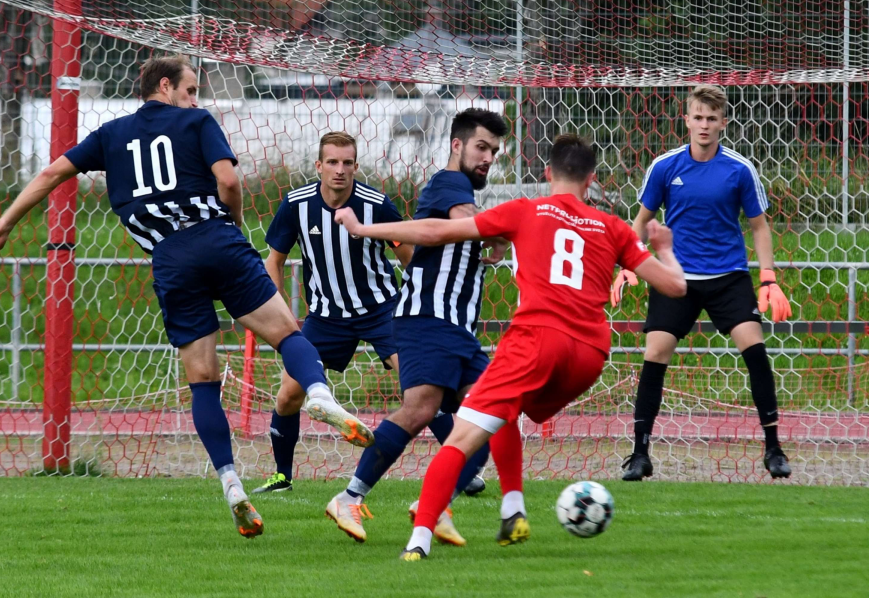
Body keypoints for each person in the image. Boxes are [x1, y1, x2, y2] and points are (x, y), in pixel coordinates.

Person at [0, 55, 356, 539]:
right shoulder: (196, 121)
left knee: (202, 378)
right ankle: (321, 396)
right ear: (166, 86)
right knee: (286, 332)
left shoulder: (110, 135)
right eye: (191, 88)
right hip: (215, 237)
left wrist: (5, 223)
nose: (196, 98)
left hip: (169, 260)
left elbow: (53, 173)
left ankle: (231, 484)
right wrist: (234, 224)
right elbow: (229, 181)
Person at [335, 133, 687, 560]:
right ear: (592, 180)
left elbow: (436, 230)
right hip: (590, 356)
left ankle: (420, 539)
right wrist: (665, 249)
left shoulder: (526, 210)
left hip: (537, 340)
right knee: (506, 413)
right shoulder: (612, 227)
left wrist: (362, 228)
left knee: (462, 435)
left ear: (546, 174)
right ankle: (512, 508)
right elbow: (675, 286)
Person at [323, 108, 509, 546]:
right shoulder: (451, 183)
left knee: (492, 416)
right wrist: (363, 228)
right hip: (430, 319)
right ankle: (349, 496)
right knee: (420, 409)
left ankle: (437, 505)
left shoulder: (460, 191)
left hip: (457, 329)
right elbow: (439, 229)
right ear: (457, 145)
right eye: (481, 147)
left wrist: (495, 239)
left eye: (494, 152)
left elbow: (467, 229)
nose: (487, 158)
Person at [612, 84, 793, 482]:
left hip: (729, 277)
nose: (704, 125)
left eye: (712, 118)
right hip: (676, 275)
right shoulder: (665, 166)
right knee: (655, 353)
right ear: (687, 120)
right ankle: (640, 454)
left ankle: (774, 449)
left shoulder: (739, 169)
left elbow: (760, 227)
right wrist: (629, 263)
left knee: (754, 348)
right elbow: (640, 222)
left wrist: (768, 278)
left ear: (723, 123)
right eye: (698, 117)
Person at [254, 130, 448, 492]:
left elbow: (408, 257)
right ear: (319, 166)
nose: (339, 170)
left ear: (356, 166)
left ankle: (464, 468)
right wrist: (278, 312)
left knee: (419, 386)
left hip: (382, 309)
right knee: (288, 395)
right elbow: (274, 262)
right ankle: (282, 476)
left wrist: (418, 307)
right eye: (332, 162)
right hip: (326, 316)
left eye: (346, 163)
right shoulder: (296, 204)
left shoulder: (376, 204)